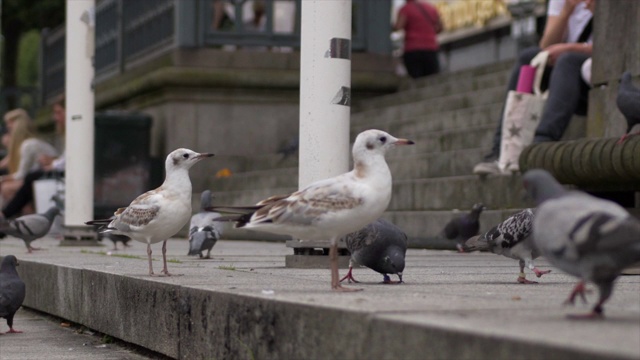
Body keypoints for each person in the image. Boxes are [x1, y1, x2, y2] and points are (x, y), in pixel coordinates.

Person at [473, 0, 594, 175]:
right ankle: (502, 151)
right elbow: (546, 45)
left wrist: (570, 48)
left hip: (594, 72)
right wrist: (567, 11)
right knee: (528, 58)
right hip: (565, 73)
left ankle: (541, 146)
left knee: (568, 61)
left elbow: (613, 47)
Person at [0, 98, 65, 218]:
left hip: (48, 177)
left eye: (9, 128)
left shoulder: (28, 145)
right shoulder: (26, 144)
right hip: (42, 176)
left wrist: (2, 178)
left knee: (7, 187)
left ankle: (21, 219)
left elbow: (21, 174)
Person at [393, 0, 443, 79]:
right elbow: (440, 28)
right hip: (431, 48)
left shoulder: (405, 9)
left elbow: (398, 26)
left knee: (417, 80)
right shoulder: (431, 8)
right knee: (432, 79)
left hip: (413, 50)